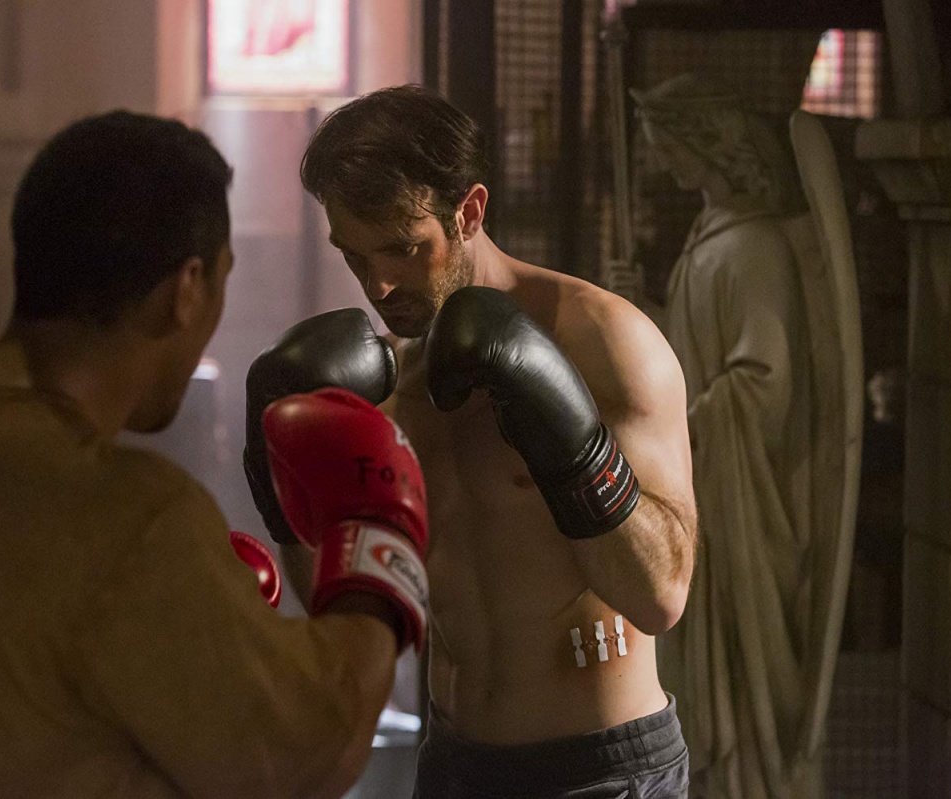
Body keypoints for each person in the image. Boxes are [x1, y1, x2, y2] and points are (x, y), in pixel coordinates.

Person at [0, 110, 431, 798]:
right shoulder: (134, 517)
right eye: (221, 278)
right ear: (186, 290)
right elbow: (307, 752)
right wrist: (377, 554)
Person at [243, 84, 698, 798]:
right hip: (454, 764)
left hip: (603, 770)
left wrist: (574, 446)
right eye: (355, 256)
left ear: (470, 211)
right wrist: (278, 488)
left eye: (403, 247)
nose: (380, 283)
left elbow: (662, 596)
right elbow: (337, 610)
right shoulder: (383, 381)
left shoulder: (604, 341)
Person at [633, 74, 851, 798]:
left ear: (708, 145)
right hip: (709, 496)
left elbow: (763, 381)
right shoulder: (713, 237)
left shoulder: (755, 247)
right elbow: (699, 357)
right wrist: (649, 311)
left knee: (749, 692)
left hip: (747, 506)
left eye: (670, 147)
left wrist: (677, 428)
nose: (663, 164)